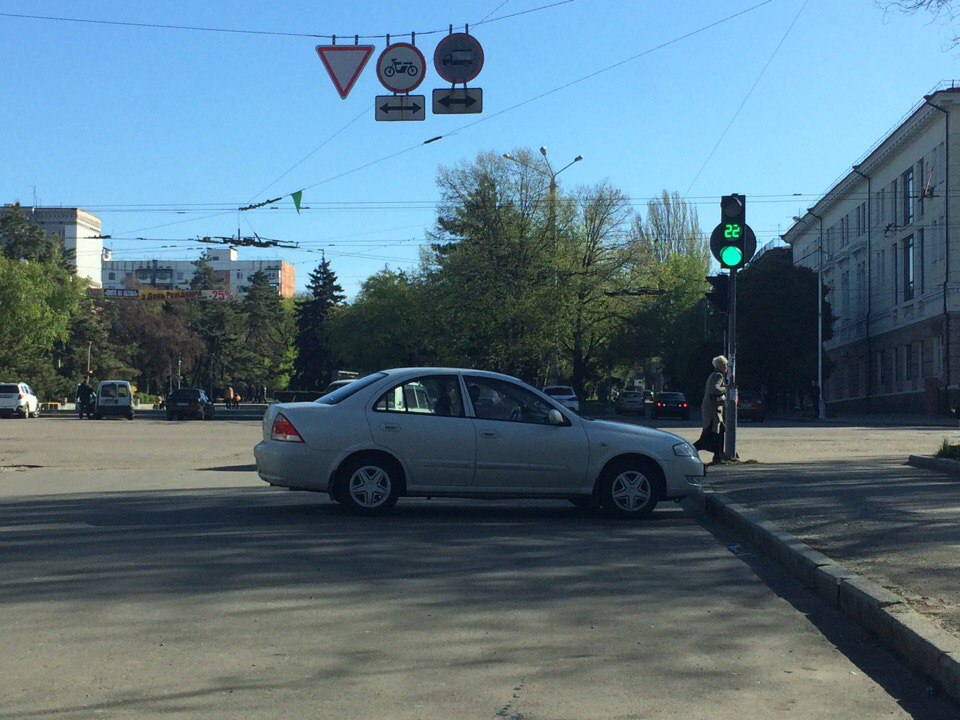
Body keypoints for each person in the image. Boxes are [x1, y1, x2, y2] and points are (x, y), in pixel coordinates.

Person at [693, 355, 728, 465]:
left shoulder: (712, 375)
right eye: (726, 365)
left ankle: (718, 456)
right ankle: (690, 451)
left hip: (710, 409)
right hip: (713, 410)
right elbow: (715, 389)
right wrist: (727, 388)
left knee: (720, 431)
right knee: (710, 434)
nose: (727, 367)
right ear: (722, 366)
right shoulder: (718, 375)